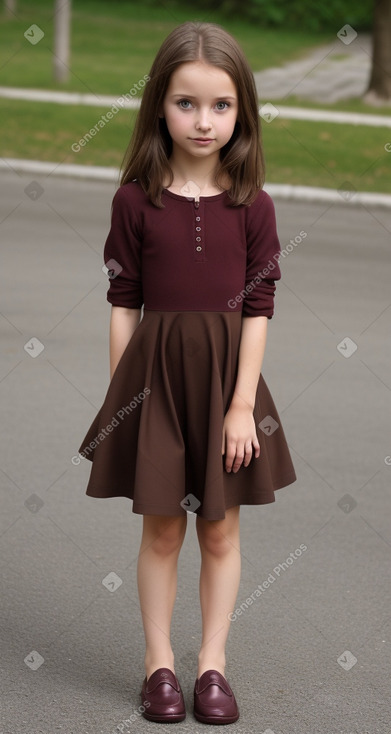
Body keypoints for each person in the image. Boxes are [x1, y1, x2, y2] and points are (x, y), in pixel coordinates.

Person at [78, 20, 296, 725]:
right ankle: (158, 666)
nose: (203, 121)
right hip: (155, 389)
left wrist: (241, 407)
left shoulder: (251, 206)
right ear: (158, 107)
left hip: (228, 391)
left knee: (220, 530)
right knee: (163, 530)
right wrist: (127, 401)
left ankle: (211, 667)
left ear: (242, 112)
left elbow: (258, 308)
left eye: (220, 106)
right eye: (185, 103)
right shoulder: (134, 200)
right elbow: (123, 303)